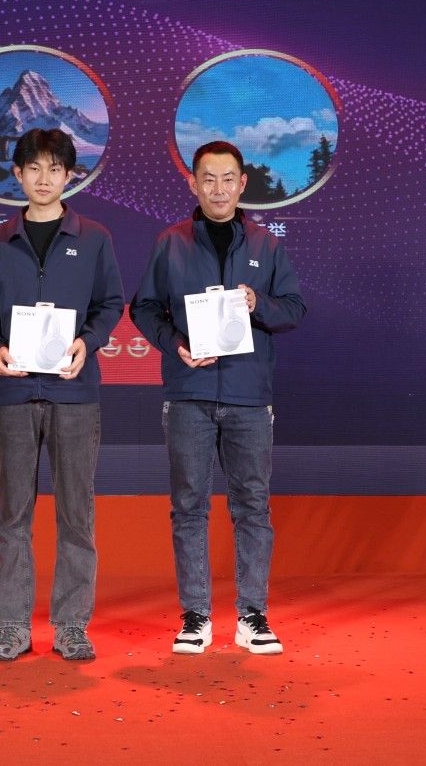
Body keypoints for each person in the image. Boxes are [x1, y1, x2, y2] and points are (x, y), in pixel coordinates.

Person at [131, 141, 306, 656]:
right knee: (188, 507)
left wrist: (258, 302)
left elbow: (294, 309)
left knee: (253, 506)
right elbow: (144, 308)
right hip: (189, 394)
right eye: (208, 179)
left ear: (243, 184)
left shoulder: (266, 245)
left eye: (228, 178)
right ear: (193, 183)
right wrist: (176, 345)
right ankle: (196, 615)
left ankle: (253, 614)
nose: (219, 189)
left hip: (249, 397)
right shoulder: (171, 243)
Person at [0, 129, 124, 662]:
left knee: (76, 514)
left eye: (54, 169)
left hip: (74, 393)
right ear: (17, 175)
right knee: (12, 514)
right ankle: (12, 625)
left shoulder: (94, 237)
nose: (43, 178)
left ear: (68, 176)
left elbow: (111, 303)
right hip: (14, 393)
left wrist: (89, 341)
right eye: (33, 168)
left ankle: (72, 624)